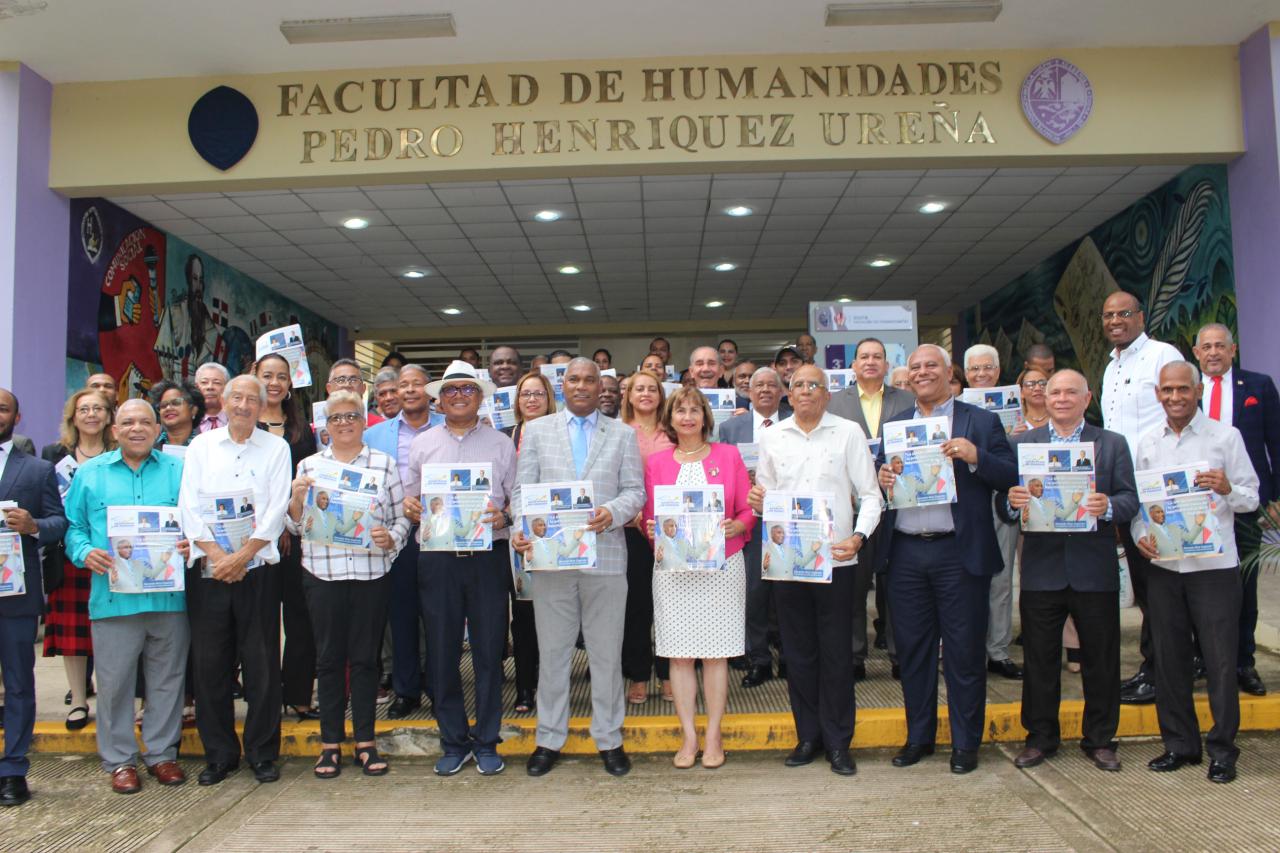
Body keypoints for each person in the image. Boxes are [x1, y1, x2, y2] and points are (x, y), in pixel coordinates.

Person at [877, 344, 1017, 775]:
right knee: (914, 653)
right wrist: (883, 477)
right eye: (915, 368)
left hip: (959, 552)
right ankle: (919, 737)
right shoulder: (895, 425)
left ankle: (965, 742)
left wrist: (976, 458)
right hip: (905, 552)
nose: (922, 373)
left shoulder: (982, 421)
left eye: (930, 366)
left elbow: (1010, 475)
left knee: (963, 652)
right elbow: (883, 480)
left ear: (948, 372)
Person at [513, 358, 645, 778]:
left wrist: (612, 511)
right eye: (575, 379)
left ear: (602, 387)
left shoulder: (623, 434)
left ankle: (609, 738)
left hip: (605, 558)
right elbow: (522, 491)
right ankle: (549, 737)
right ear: (563, 385)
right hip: (552, 561)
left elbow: (635, 492)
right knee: (553, 655)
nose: (583, 386)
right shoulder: (537, 431)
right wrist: (523, 527)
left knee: (606, 654)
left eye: (591, 380)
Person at [1002, 370, 1138, 773]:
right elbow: (1003, 506)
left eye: (1069, 392)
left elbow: (1131, 500)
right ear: (1043, 397)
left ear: (1086, 397)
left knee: (1101, 659)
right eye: (1053, 391)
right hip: (1042, 571)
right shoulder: (1022, 445)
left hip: (1093, 570)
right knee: (1040, 661)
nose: (1060, 398)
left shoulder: (1111, 444)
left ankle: (1100, 740)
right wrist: (1011, 502)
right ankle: (1040, 738)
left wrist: (1107, 507)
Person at [749, 363, 882, 776]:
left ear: (827, 394)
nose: (805, 391)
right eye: (798, 385)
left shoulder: (848, 433)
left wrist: (859, 537)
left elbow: (871, 495)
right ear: (789, 394)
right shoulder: (772, 437)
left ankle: (840, 742)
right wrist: (759, 502)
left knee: (837, 654)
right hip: (788, 563)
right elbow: (766, 494)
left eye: (814, 385)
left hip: (838, 560)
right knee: (798, 654)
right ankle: (808, 736)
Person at [1132, 361, 1259, 784]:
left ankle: (1223, 750)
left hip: (1214, 569)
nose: (1175, 397)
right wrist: (1139, 537)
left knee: (1222, 662)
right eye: (1167, 390)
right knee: (1169, 660)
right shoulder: (1148, 442)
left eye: (1182, 389)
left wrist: (1227, 489)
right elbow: (1138, 507)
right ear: (1157, 394)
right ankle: (1180, 746)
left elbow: (1251, 499)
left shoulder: (1226, 437)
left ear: (1198, 390)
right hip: (1166, 567)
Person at [63, 398, 187, 795]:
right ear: (114, 430)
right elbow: (72, 528)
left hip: (169, 600)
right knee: (114, 684)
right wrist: (85, 552)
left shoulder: (180, 471)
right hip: (113, 599)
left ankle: (162, 754)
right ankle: (119, 761)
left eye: (145, 422)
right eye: (128, 422)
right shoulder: (90, 474)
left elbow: (197, 524)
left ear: (157, 429)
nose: (137, 429)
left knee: (167, 680)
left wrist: (190, 546)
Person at [402, 362, 518, 777]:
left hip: (487, 559)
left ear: (480, 396)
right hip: (437, 559)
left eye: (467, 389)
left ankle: (487, 740)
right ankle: (452, 739)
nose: (459, 396)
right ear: (439, 398)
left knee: (489, 651)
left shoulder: (502, 444)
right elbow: (410, 499)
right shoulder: (423, 444)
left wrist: (504, 517)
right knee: (442, 650)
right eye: (451, 391)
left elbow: (515, 501)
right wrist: (411, 507)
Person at [286, 390, 408, 779]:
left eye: (351, 415)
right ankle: (329, 744)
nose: (344, 423)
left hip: (371, 573)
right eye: (336, 417)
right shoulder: (309, 466)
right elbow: (293, 526)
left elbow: (402, 516)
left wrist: (393, 537)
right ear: (325, 425)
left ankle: (366, 742)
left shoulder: (384, 465)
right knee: (328, 660)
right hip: (323, 574)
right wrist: (295, 499)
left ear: (363, 420)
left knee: (365, 660)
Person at [180, 375, 292, 786]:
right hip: (210, 571)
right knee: (210, 666)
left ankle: (262, 752)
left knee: (262, 664)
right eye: (237, 397)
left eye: (253, 399)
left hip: (258, 570)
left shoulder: (276, 448)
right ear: (224, 402)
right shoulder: (201, 446)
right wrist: (219, 558)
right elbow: (188, 505)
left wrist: (243, 556)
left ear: (263, 406)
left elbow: (278, 507)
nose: (244, 405)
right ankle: (220, 754)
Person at [641, 385, 754, 769]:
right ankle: (689, 736)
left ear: (706, 417)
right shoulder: (657, 462)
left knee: (716, 655)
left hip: (721, 567)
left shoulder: (729, 455)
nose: (687, 417)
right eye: (680, 411)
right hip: (673, 571)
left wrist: (738, 526)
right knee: (681, 655)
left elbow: (747, 509)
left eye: (694, 410)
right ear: (669, 419)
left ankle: (714, 734)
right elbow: (649, 517)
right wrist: (652, 530)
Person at [1099, 291, 1183, 706]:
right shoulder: (1110, 366)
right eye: (1109, 315)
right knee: (1146, 586)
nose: (1116, 320)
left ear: (1140, 317)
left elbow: (1177, 410)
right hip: (1126, 491)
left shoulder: (1161, 355)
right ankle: (1153, 667)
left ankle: (1165, 671)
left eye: (1124, 314)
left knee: (1161, 587)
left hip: (1155, 489)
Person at [1192, 322, 1280, 697]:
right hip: (1195, 503)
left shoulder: (1257, 386)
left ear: (1233, 350)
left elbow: (1276, 442)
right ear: (1196, 353)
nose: (1213, 353)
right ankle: (1200, 657)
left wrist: (1275, 499)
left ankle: (1244, 661)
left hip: (1245, 500)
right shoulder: (1185, 390)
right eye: (1206, 347)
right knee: (1195, 584)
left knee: (1243, 584)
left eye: (1220, 346)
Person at [827, 337, 915, 682]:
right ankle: (853, 655)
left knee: (897, 588)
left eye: (877, 356)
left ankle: (900, 655)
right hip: (852, 507)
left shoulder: (906, 400)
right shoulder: (835, 403)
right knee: (853, 586)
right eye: (864, 356)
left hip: (899, 505)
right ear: (853, 364)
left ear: (886, 364)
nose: (870, 362)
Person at [0, 388, 68, 807]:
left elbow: (58, 523)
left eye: (3, 408)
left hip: (15, 597)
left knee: (19, 684)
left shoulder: (38, 469)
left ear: (16, 417)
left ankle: (11, 770)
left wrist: (32, 526)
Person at [364, 364, 442, 718]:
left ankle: (441, 686)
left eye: (417, 384)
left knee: (442, 614)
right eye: (402, 385)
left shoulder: (448, 426)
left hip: (442, 534)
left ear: (430, 390)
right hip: (395, 536)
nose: (409, 390)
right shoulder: (376, 436)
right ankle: (406, 689)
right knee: (402, 614)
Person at [41, 389, 115, 732]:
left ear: (108, 416)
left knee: (112, 627)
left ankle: (113, 697)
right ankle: (78, 700)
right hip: (69, 554)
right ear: (73, 416)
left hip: (113, 553)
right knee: (74, 631)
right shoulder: (54, 454)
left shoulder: (119, 450)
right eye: (84, 409)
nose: (91, 414)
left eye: (98, 408)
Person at [255, 353, 319, 722]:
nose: (275, 383)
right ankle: (265, 697)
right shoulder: (246, 426)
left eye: (281, 376)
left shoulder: (301, 429)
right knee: (261, 622)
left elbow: (307, 485)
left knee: (301, 619)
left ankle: (299, 695)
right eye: (267, 376)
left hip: (296, 540)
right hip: (257, 541)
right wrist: (272, 527)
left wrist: (290, 525)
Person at [717, 367, 786, 686]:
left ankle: (788, 658)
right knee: (753, 594)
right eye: (759, 385)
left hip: (788, 518)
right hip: (749, 522)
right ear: (748, 391)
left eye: (773, 385)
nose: (766, 390)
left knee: (788, 591)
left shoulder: (795, 419)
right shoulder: (731, 427)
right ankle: (758, 659)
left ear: (783, 390)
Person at [963, 344, 1022, 681]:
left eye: (988, 368)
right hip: (967, 501)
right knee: (965, 580)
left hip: (1001, 499)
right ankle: (967, 648)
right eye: (974, 369)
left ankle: (998, 651)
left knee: (1001, 579)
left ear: (998, 372)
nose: (981, 374)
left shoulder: (1021, 407)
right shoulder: (953, 407)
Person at [619, 370, 673, 704]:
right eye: (639, 388)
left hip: (669, 531)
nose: (645, 394)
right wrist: (634, 514)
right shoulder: (616, 431)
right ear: (629, 395)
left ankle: (669, 674)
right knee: (635, 607)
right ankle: (638, 675)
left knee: (669, 605)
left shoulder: (674, 431)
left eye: (652, 388)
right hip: (630, 530)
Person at [506, 370, 555, 713]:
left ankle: (551, 687)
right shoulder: (504, 437)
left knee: (554, 616)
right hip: (514, 540)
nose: (532, 399)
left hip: (551, 536)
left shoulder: (560, 436)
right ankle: (525, 688)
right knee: (522, 616)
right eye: (526, 394)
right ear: (517, 401)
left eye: (539, 394)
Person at [150, 379, 205, 449]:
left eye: (176, 403)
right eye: (163, 405)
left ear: (193, 410)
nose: (168, 408)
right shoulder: (149, 448)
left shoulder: (206, 447)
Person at [327, 359, 383, 427]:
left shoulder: (381, 425)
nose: (347, 385)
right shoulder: (316, 430)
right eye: (341, 380)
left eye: (353, 380)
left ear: (363, 388)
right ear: (329, 388)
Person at [194, 362, 230, 433]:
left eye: (217, 383)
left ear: (227, 387)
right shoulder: (187, 420)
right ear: (196, 387)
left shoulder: (236, 419)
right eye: (204, 382)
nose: (210, 387)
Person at [1019, 367, 1051, 431]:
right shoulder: (1017, 424)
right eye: (1030, 384)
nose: (1037, 388)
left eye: (1042, 383)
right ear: (1021, 392)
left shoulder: (1060, 419)